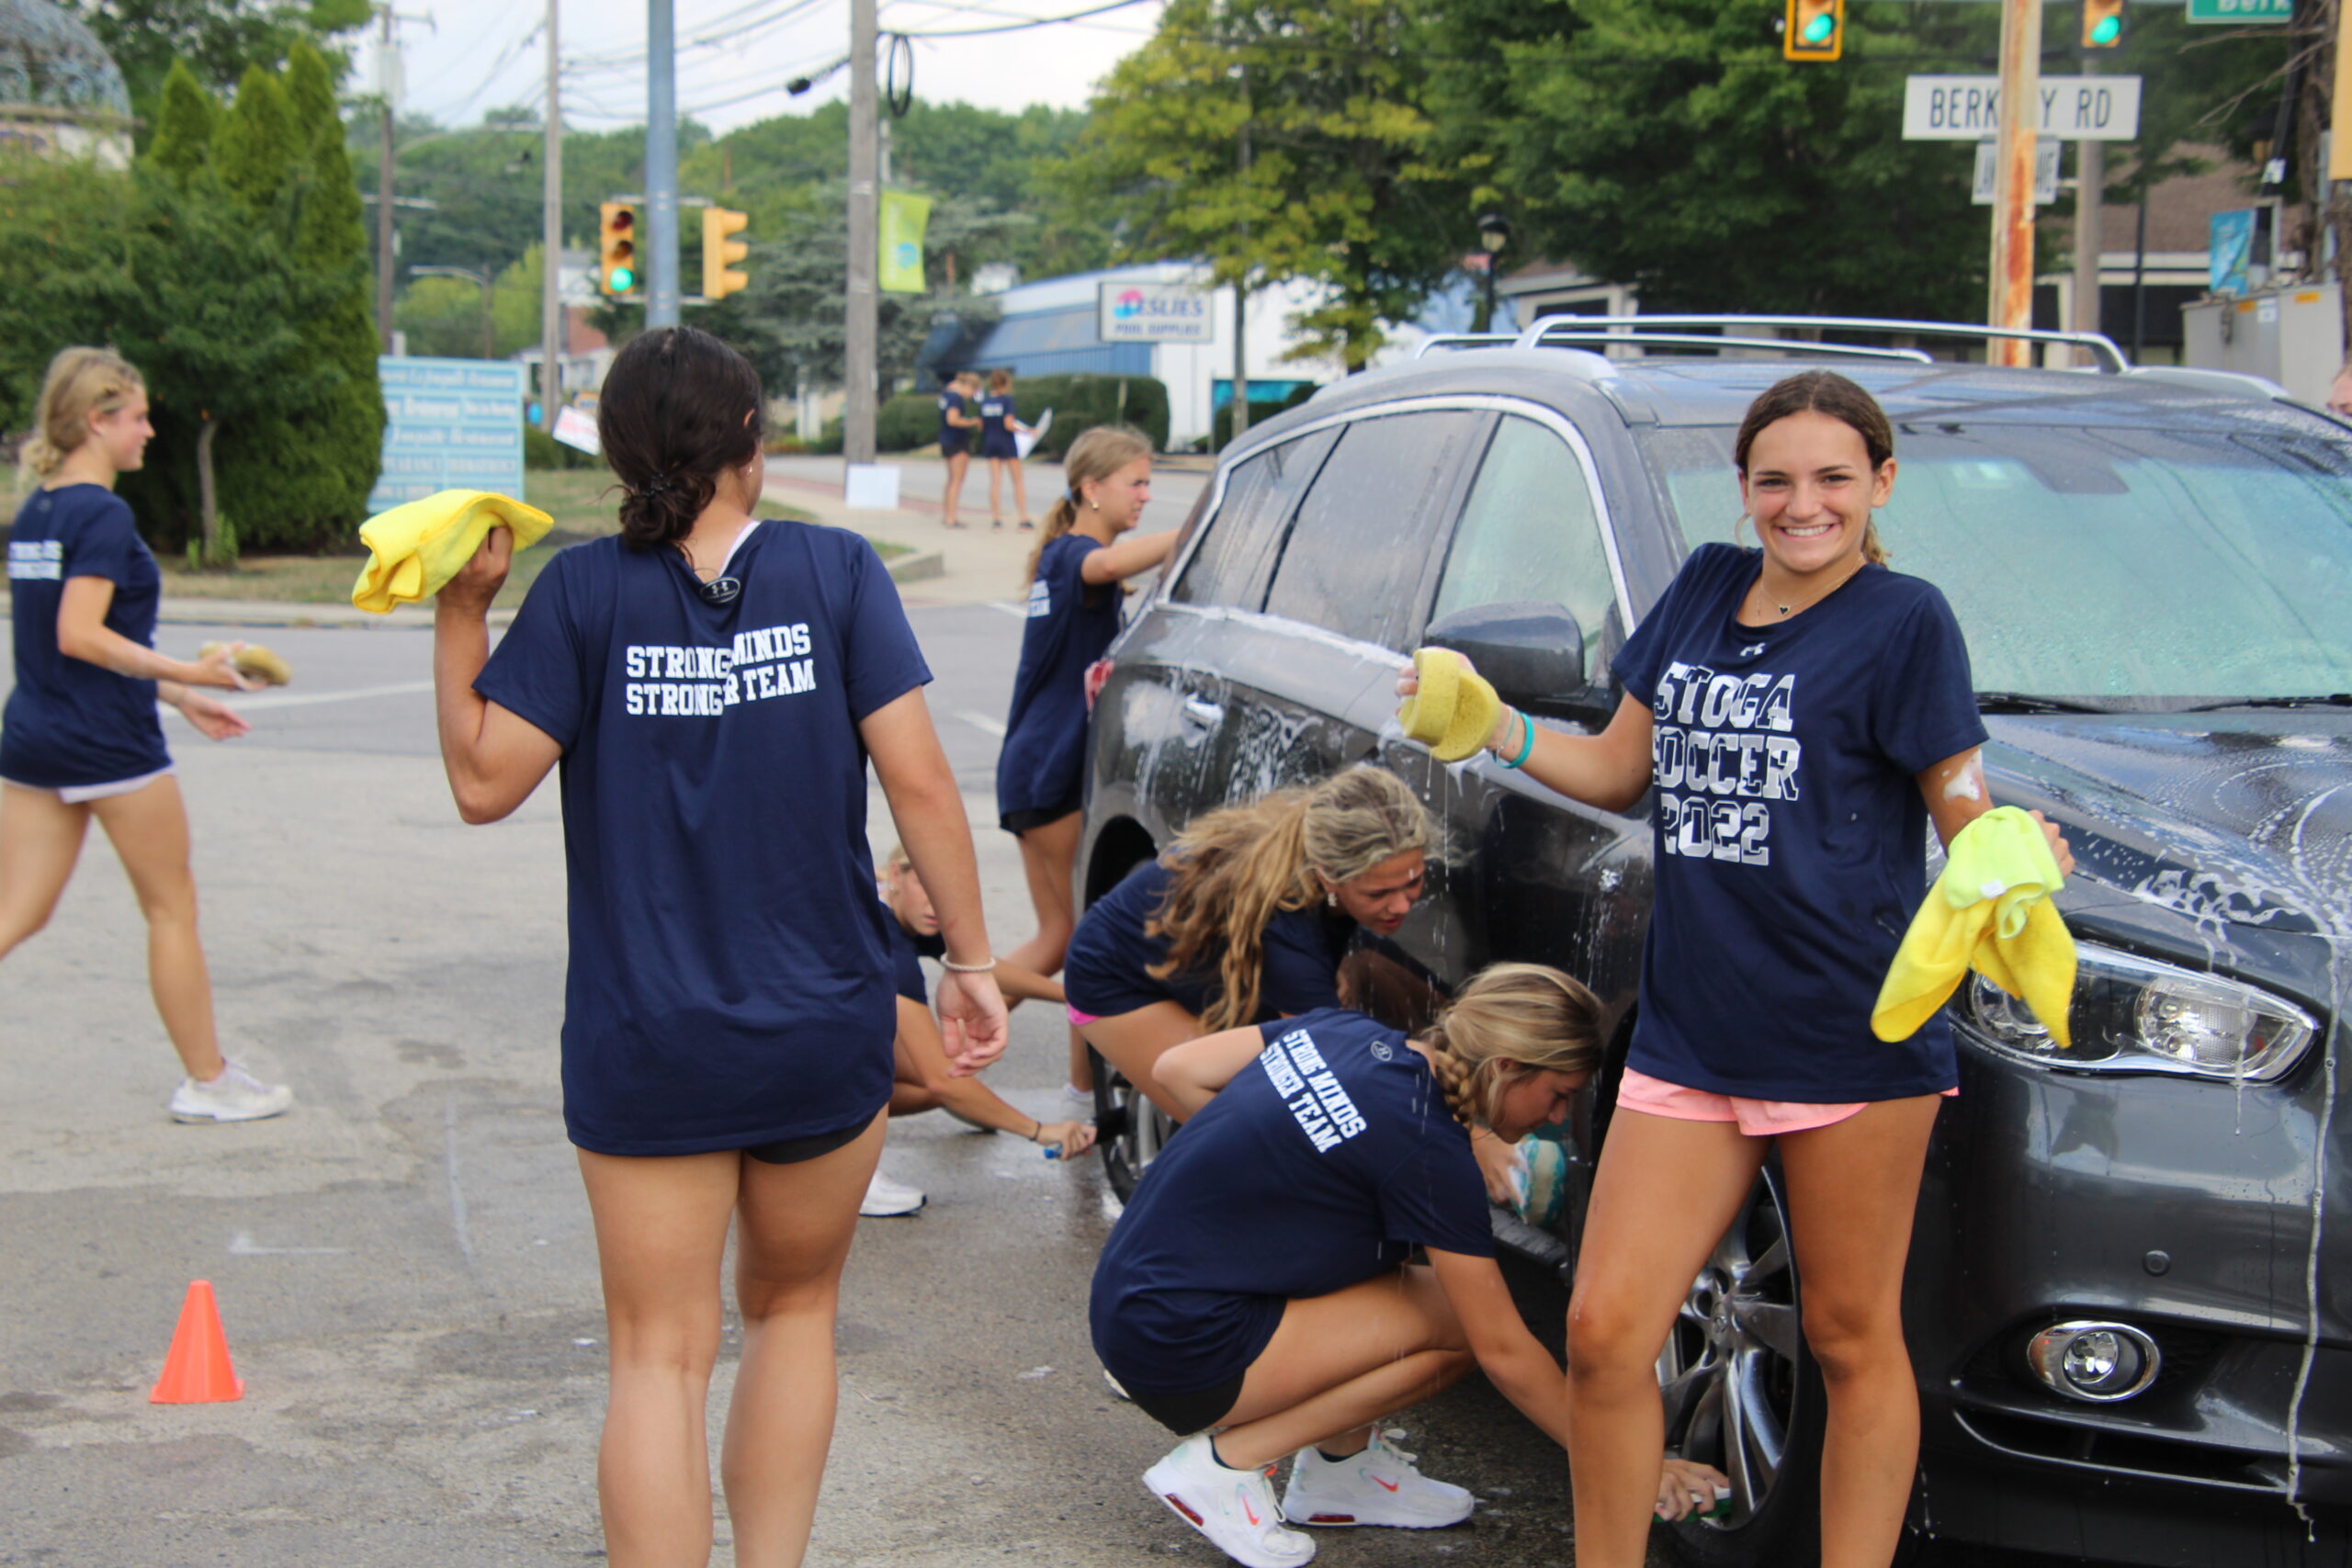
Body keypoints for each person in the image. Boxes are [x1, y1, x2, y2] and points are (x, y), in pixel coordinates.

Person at [1399, 368, 2074, 1568]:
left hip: (1848, 1035)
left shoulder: (1905, 619)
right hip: (1693, 1030)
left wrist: (2004, 848)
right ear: (1744, 487)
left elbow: (1959, 795)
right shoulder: (1706, 588)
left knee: (1850, 1334)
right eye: (1775, 478)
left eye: (1831, 478)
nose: (1801, 503)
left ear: (1880, 482)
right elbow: (1619, 770)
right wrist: (1491, 724)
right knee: (1606, 1331)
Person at [431, 324, 1008, 1568]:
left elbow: (484, 783)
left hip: (650, 1037)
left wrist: (461, 613)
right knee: (795, 1313)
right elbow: (919, 781)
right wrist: (969, 958)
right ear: (751, 438)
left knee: (656, 1352)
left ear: (624, 450)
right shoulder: (838, 571)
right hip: (823, 1022)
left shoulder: (581, 591)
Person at [1091, 964, 1728, 1568]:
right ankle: (1227, 1467)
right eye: (1558, 1093)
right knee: (1460, 1327)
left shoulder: (1346, 1031)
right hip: (1176, 1345)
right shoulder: (1427, 1148)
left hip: (1128, 1298)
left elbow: (1178, 1068)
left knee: (1408, 1274)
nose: (1560, 1117)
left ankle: (1342, 1470)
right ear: (1505, 1067)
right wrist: (1625, 1460)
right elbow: (1503, 1350)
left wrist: (1297, 1160)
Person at [0, 346, 288, 1124]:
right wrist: (194, 676)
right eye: (135, 416)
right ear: (97, 421)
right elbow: (80, 635)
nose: (150, 431)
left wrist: (177, 696)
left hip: (34, 737)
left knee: (14, 915)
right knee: (171, 910)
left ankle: (209, 1075)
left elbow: (68, 649)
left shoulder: (38, 510)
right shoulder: (101, 512)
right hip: (107, 747)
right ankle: (208, 1080)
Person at [1064, 766, 1430, 1123]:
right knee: (1260, 1129)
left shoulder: (1319, 841)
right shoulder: (1288, 929)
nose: (1401, 905)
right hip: (1116, 976)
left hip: (1196, 956)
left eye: (1412, 882)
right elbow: (1329, 1067)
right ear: (1327, 877)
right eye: (1378, 892)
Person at [995, 423, 1175, 1103]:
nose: (1146, 495)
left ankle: (940, 1040)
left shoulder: (1055, 554)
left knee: (1059, 934)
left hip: (1030, 767)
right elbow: (1104, 566)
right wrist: (1198, 528)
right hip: (1049, 771)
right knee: (1085, 943)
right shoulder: (1075, 553)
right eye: (1136, 481)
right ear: (1090, 488)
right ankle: (1078, 1087)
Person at [868, 844, 1092, 1212]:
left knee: (936, 1081)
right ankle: (846, 1170)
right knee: (937, 1075)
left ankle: (969, 1103)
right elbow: (943, 1078)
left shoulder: (907, 908)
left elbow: (980, 968)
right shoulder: (884, 942)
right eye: (926, 887)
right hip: (774, 1041)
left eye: (946, 896)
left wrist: (1072, 996)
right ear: (896, 874)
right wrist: (1037, 1130)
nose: (937, 906)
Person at [977, 368, 1035, 530]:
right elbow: (1008, 424)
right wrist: (1027, 431)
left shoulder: (985, 401)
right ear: (1006, 383)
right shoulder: (1007, 401)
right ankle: (1023, 518)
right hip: (1006, 442)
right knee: (1017, 481)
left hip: (990, 441)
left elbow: (981, 425)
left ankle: (996, 519)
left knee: (995, 481)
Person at [937, 371, 980, 530]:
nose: (972, 396)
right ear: (968, 386)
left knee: (951, 480)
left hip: (946, 440)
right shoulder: (956, 398)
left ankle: (947, 514)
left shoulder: (947, 395)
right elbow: (952, 419)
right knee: (957, 480)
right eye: (973, 391)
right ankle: (951, 517)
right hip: (957, 441)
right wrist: (972, 422)